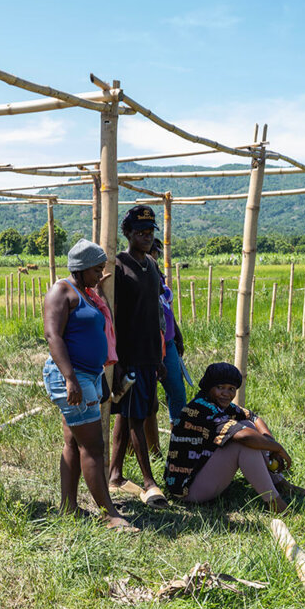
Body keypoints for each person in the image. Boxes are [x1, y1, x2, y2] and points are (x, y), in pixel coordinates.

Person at [42, 239, 136, 530]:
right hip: (71, 376)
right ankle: (109, 513)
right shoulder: (61, 291)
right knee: (94, 447)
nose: (99, 276)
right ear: (80, 269)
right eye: (96, 270)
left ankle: (68, 507)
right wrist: (70, 379)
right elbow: (53, 336)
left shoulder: (87, 293)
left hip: (88, 375)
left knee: (73, 442)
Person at [164, 362, 305, 512]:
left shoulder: (219, 404)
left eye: (231, 389)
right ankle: (275, 503)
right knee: (245, 443)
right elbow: (245, 438)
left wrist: (271, 443)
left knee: (247, 425)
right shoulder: (201, 408)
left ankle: (280, 484)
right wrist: (277, 448)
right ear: (208, 387)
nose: (226, 393)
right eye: (220, 387)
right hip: (188, 489)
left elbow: (253, 417)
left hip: (200, 476)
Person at [108, 206, 169, 507]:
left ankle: (115, 474)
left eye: (150, 231)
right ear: (128, 233)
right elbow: (113, 315)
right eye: (140, 232)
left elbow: (156, 312)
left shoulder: (152, 267)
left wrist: (159, 357)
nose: (146, 236)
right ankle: (149, 482)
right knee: (135, 418)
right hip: (128, 355)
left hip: (148, 354)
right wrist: (116, 360)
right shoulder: (120, 266)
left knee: (132, 413)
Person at [144, 238, 188, 456]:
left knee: (178, 392)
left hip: (168, 343)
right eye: (153, 252)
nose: (155, 256)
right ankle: (152, 450)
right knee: (149, 400)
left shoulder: (159, 277)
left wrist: (177, 334)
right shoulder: (137, 277)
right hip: (147, 346)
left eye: (156, 253)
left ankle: (179, 441)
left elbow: (167, 311)